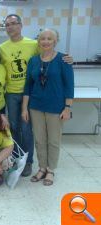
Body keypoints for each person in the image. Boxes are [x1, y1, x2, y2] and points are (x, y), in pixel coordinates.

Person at [0, 14, 73, 177]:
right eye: (7, 24)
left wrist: (68, 58)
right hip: (12, 93)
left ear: (21, 25)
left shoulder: (33, 44)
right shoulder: (2, 47)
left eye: (14, 23)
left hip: (32, 95)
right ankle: (18, 159)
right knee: (15, 128)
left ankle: (30, 162)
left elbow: (51, 55)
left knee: (27, 130)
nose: (10, 27)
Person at [22, 29, 74, 186]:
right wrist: (24, 108)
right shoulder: (33, 61)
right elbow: (27, 87)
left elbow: (69, 86)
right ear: (38, 41)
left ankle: (51, 170)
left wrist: (67, 108)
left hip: (56, 108)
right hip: (35, 106)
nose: (45, 41)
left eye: (49, 39)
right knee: (39, 140)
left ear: (55, 41)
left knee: (53, 140)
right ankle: (42, 167)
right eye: (42, 38)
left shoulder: (63, 60)